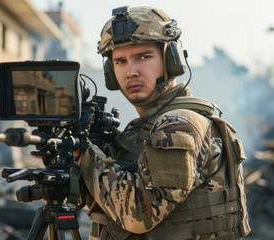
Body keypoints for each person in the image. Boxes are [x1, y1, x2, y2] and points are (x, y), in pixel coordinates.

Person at [78, 5, 251, 239]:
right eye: (120, 61)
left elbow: (138, 213)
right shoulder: (145, 126)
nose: (131, 72)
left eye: (144, 57)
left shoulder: (178, 125)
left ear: (171, 60)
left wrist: (85, 154)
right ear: (110, 71)